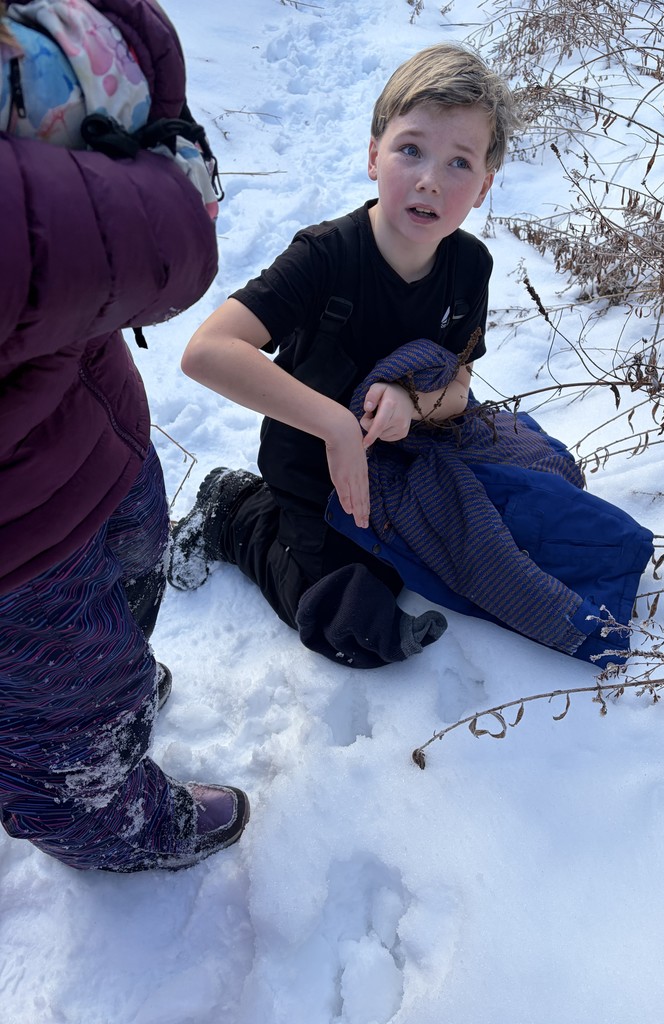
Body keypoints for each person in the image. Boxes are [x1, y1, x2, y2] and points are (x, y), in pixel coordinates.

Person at [168, 42, 520, 668]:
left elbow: (460, 381)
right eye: (410, 149)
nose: (430, 179)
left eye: (459, 162)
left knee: (497, 540)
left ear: (485, 186)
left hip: (404, 458)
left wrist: (415, 400)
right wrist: (335, 426)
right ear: (372, 154)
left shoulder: (470, 266)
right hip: (310, 465)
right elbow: (206, 351)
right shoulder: (326, 256)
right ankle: (235, 513)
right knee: (349, 618)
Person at [0, 0, 249, 872]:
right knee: (67, 712)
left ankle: (112, 704)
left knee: (132, 575)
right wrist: (155, 148)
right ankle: (104, 819)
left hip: (95, 428)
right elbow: (167, 244)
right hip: (20, 546)